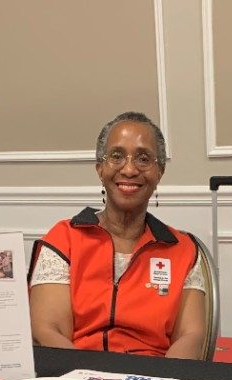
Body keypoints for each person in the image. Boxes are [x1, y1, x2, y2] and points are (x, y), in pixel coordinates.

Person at [29, 111, 209, 359]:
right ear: (100, 168)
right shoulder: (63, 240)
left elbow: (190, 336)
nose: (129, 169)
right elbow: (47, 330)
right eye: (116, 156)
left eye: (143, 159)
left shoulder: (184, 250)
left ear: (160, 172)